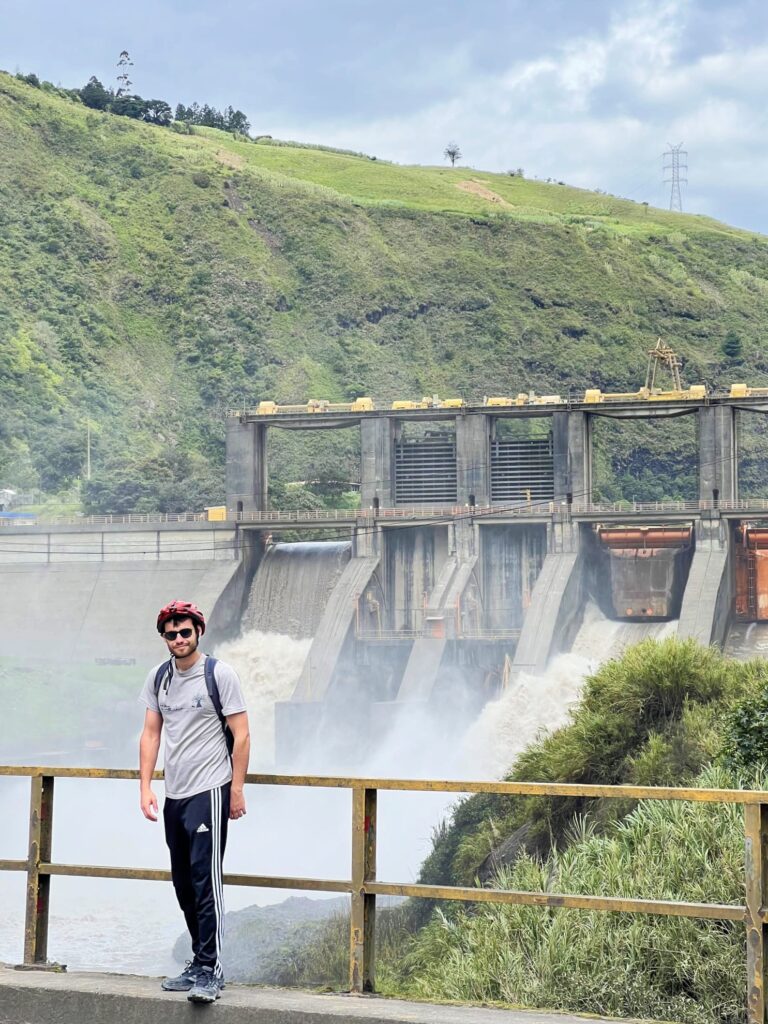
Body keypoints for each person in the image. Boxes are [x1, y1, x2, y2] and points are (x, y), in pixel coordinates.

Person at [139, 599, 250, 1003]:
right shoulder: (159, 678)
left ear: (198, 632)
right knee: (184, 882)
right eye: (171, 634)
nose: (179, 639)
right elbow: (151, 734)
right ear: (164, 639)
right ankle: (197, 963)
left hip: (210, 790)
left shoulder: (218, 675)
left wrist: (236, 789)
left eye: (185, 632)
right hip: (176, 794)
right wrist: (146, 787)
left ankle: (212, 971)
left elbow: (242, 734)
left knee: (206, 882)